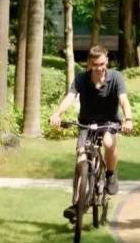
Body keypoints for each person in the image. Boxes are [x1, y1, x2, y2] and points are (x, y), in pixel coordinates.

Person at [50, 45, 133, 221]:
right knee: (81, 157)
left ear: (107, 61)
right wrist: (57, 113)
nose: (99, 68)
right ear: (89, 64)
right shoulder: (81, 78)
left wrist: (128, 119)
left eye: (102, 64)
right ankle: (78, 203)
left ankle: (110, 174)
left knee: (109, 143)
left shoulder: (116, 78)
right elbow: (70, 97)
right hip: (86, 123)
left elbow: (124, 100)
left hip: (109, 122)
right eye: (95, 65)